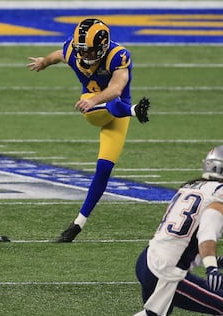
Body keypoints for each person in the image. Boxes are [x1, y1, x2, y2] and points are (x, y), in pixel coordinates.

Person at [92, 144, 223, 316]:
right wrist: (210, 266)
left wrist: (215, 260)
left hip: (148, 257)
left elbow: (184, 235)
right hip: (167, 271)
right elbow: (206, 232)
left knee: (152, 313)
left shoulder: (190, 186)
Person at [27, 18, 150, 242]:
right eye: (81, 49)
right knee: (96, 107)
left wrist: (95, 100)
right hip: (95, 108)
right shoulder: (74, 50)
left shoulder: (118, 56)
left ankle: (77, 225)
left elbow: (115, 88)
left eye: (90, 50)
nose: (84, 55)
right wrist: (44, 62)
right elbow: (60, 55)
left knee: (104, 168)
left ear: (103, 47)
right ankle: (133, 111)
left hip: (113, 108)